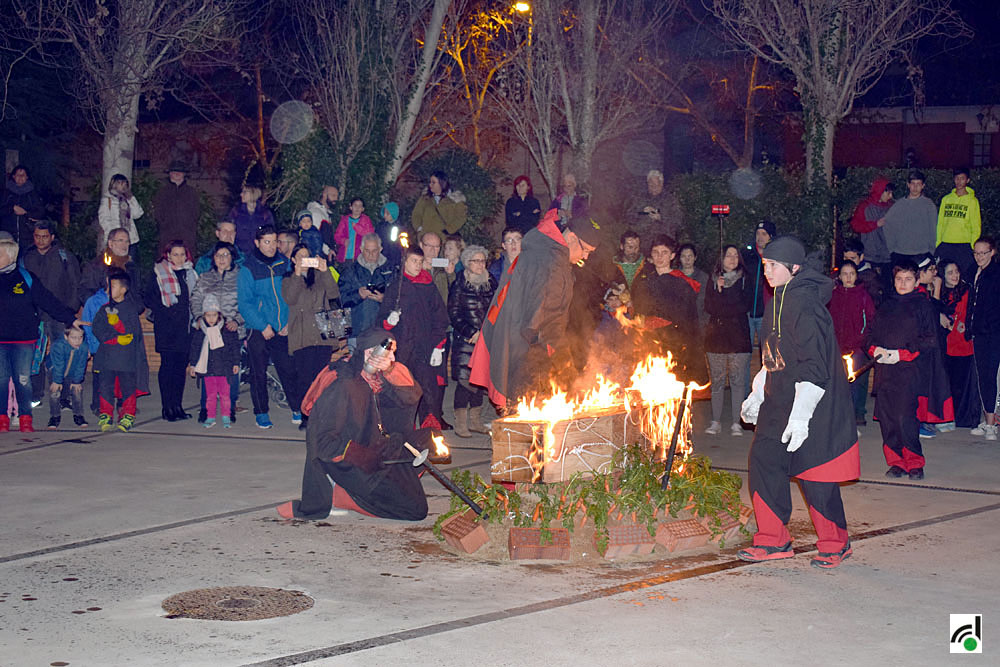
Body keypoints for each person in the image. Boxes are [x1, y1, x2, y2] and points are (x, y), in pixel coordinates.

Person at [737, 236, 858, 569]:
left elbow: (814, 365)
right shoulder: (777, 298)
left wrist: (801, 416)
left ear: (794, 268)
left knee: (814, 473)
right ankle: (773, 539)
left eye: (774, 266)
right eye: (765, 265)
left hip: (813, 404)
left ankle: (837, 542)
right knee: (764, 460)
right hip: (779, 402)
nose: (768, 271)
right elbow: (774, 356)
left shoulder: (805, 303)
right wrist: (758, 392)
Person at [276, 329, 431, 521]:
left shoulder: (381, 376)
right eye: (388, 352)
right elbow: (323, 442)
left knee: (431, 441)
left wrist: (390, 371)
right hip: (357, 464)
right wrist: (365, 457)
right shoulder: (344, 384)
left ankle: (391, 486)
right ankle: (344, 496)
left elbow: (410, 398)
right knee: (415, 510)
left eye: (393, 351)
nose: (393, 357)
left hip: (382, 448)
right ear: (369, 353)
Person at [469, 209, 600, 410]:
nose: (586, 257)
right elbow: (542, 311)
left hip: (524, 341)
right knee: (529, 410)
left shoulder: (546, 252)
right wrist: (552, 352)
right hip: (531, 348)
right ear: (572, 237)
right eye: (586, 250)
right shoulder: (551, 261)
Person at [0, 235, 83, 433]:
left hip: (23, 339)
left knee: (23, 379)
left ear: (10, 256)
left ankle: (25, 417)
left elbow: (48, 301)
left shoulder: (26, 278)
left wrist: (70, 319)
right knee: (1, 379)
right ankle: (2, 418)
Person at [870, 261, 943, 478]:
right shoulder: (886, 304)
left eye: (908, 279)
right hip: (886, 372)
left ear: (917, 281)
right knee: (887, 418)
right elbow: (871, 333)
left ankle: (915, 462)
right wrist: (874, 349)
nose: (903, 283)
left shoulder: (923, 305)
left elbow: (929, 339)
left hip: (909, 370)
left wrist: (901, 354)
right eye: (899, 279)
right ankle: (897, 462)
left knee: (904, 417)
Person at [378, 246, 450, 428]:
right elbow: (380, 321)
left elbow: (439, 317)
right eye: (413, 261)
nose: (417, 265)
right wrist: (390, 321)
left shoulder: (429, 286)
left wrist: (438, 346)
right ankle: (402, 431)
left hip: (425, 348)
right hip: (402, 349)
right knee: (402, 391)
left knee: (428, 391)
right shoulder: (396, 287)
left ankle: (428, 432)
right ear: (405, 262)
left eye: (420, 261)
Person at [237, 224, 296, 429]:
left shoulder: (285, 263)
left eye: (274, 242)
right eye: (267, 242)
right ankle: (261, 412)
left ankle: (296, 407)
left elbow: (293, 294)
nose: (272, 246)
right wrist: (263, 326)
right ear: (257, 243)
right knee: (258, 372)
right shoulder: (248, 268)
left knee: (288, 369)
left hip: (283, 327)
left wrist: (288, 321)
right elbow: (245, 303)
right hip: (259, 328)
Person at [283, 245, 346, 430]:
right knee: (304, 378)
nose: (304, 260)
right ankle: (306, 416)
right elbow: (290, 298)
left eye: (307, 256)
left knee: (322, 379)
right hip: (302, 335)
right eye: (300, 257)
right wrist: (296, 274)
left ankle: (324, 416)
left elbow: (334, 294)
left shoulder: (319, 277)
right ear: (293, 260)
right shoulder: (288, 280)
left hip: (323, 333)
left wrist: (325, 271)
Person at [22, 220, 82, 405]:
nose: (41, 240)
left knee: (61, 355)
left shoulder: (63, 256)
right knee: (34, 356)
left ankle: (63, 396)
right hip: (35, 316)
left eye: (45, 236)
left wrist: (69, 311)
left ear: (52, 237)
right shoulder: (27, 257)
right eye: (37, 236)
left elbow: (75, 284)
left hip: (59, 315)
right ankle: (35, 394)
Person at [631, 234, 699, 380]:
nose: (659, 257)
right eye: (656, 252)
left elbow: (687, 318)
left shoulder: (683, 283)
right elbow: (639, 311)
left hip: (674, 342)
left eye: (664, 253)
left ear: (672, 255)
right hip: (649, 341)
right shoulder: (644, 281)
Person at [190, 241, 244, 422]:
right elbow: (195, 299)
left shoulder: (241, 277)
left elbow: (248, 302)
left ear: (232, 257)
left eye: (226, 255)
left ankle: (230, 407)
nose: (222, 259)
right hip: (208, 331)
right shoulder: (205, 278)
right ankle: (206, 407)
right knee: (209, 370)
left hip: (231, 331)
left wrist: (237, 321)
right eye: (218, 255)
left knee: (231, 370)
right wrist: (199, 318)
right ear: (213, 258)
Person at [145, 241, 197, 422]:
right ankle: (167, 407)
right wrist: (167, 312)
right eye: (175, 254)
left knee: (180, 369)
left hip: (185, 329)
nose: (179, 258)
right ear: (168, 255)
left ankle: (177, 406)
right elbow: (150, 298)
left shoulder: (189, 274)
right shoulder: (159, 273)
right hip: (167, 329)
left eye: (182, 254)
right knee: (168, 367)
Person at [448, 245, 497, 437]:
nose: (480, 264)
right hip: (465, 340)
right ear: (467, 263)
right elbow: (453, 313)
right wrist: (470, 332)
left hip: (486, 339)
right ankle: (461, 423)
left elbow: (497, 308)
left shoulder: (491, 282)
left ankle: (476, 421)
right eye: (475, 260)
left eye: (482, 260)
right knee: (464, 381)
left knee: (480, 380)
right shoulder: (459, 283)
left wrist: (488, 332)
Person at [704, 245, 752, 437]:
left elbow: (744, 305)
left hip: (738, 336)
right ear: (721, 259)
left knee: (737, 381)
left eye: (735, 256)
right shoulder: (714, 279)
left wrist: (726, 299)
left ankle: (736, 422)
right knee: (717, 381)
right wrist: (719, 290)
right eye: (728, 255)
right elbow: (709, 306)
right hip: (716, 336)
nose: (732, 259)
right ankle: (715, 421)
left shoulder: (744, 280)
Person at [92, 271, 144, 432]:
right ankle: (106, 414)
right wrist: (113, 338)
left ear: (123, 289)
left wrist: (118, 325)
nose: (109, 289)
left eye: (113, 286)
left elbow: (131, 333)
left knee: (128, 387)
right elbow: (97, 328)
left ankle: (128, 414)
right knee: (105, 386)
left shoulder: (130, 309)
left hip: (126, 359)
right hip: (107, 356)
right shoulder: (104, 309)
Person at [827, 260, 876, 426]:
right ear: (839, 276)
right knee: (838, 383)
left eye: (852, 274)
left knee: (858, 383)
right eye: (845, 274)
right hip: (836, 347)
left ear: (856, 276)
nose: (848, 277)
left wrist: (863, 341)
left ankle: (858, 413)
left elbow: (870, 319)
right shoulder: (833, 295)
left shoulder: (863, 296)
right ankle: (839, 415)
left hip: (857, 347)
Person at [938, 261, 980, 431]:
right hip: (945, 344)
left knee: (962, 384)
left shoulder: (967, 291)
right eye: (950, 273)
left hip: (963, 343)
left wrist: (965, 324)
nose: (954, 275)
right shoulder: (939, 293)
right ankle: (946, 417)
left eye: (956, 271)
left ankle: (962, 418)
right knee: (947, 383)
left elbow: (972, 313)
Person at [188, 294, 241, 429]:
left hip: (224, 369)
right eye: (208, 315)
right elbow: (195, 349)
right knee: (210, 396)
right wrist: (193, 364)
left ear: (219, 315)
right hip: (209, 370)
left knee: (225, 396)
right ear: (203, 316)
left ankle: (226, 416)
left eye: (214, 315)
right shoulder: (200, 332)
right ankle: (210, 417)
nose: (211, 319)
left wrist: (235, 363)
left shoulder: (227, 331)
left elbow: (234, 348)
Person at [967, 237, 1000, 441]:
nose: (979, 257)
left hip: (992, 333)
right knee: (984, 377)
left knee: (991, 376)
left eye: (983, 253)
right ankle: (988, 419)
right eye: (976, 253)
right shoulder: (974, 271)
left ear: (993, 253)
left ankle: (991, 423)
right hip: (979, 333)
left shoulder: (995, 274)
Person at [338, 233, 396, 347]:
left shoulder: (391, 270)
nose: (370, 255)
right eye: (367, 250)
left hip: (382, 332)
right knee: (355, 364)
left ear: (380, 249)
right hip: (356, 332)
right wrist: (358, 294)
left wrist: (384, 299)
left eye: (374, 251)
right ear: (361, 249)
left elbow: (399, 301)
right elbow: (340, 299)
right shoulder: (350, 271)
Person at [882, 170, 938, 267]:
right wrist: (891, 248)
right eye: (912, 183)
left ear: (923, 186)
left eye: (918, 184)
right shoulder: (899, 205)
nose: (915, 187)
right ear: (908, 185)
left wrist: (931, 251)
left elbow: (933, 229)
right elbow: (887, 225)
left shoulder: (929, 205)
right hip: (900, 253)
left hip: (922, 253)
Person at [936, 167, 981, 280]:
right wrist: (938, 243)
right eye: (957, 178)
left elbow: (976, 225)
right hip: (946, 244)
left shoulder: (972, 201)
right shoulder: (946, 199)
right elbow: (941, 222)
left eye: (962, 178)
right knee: (944, 276)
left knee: (963, 276)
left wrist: (973, 246)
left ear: (968, 180)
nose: (959, 181)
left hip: (963, 245)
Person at [79, 228, 142, 306]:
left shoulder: (131, 267)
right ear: (110, 243)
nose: (124, 245)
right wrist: (103, 307)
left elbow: (137, 292)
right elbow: (85, 292)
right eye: (120, 240)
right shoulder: (96, 266)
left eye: (127, 241)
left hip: (128, 314)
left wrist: (137, 307)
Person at [848, 177, 893, 283]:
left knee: (886, 286)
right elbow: (856, 225)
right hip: (870, 254)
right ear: (881, 192)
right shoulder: (865, 206)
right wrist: (875, 224)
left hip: (887, 255)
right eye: (888, 193)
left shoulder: (891, 207)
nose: (890, 196)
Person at [151, 162, 201, 253]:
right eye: (174, 171)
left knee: (187, 257)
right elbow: (158, 212)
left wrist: (189, 225)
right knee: (166, 257)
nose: (176, 174)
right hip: (167, 233)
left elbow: (196, 212)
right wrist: (164, 224)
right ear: (169, 173)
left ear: (184, 174)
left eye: (179, 172)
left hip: (187, 233)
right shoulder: (162, 192)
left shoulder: (191, 192)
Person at [47, 326, 89, 429]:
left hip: (72, 371)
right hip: (55, 370)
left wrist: (77, 381)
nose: (77, 341)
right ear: (66, 337)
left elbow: (81, 365)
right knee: (55, 392)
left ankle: (78, 415)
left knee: (76, 391)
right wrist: (56, 381)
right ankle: (54, 416)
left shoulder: (83, 347)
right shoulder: (58, 346)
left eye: (80, 337)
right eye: (73, 337)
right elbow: (58, 365)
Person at [97, 174, 143, 258]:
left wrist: (131, 198)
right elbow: (103, 218)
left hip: (131, 239)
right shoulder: (108, 199)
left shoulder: (128, 199)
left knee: (131, 265)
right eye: (121, 183)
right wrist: (114, 233)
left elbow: (138, 214)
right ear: (114, 184)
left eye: (125, 183)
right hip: (116, 240)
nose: (123, 186)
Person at [412, 171, 468, 237]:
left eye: (433, 182)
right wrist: (419, 229)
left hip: (443, 240)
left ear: (442, 183)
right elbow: (416, 214)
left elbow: (461, 218)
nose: (430, 185)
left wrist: (448, 231)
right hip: (425, 238)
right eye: (430, 182)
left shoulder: (455, 201)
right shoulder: (425, 198)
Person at [628, 169, 680, 239]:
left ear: (661, 183)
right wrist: (642, 212)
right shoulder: (640, 198)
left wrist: (661, 217)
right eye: (651, 185)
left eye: (656, 185)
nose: (653, 188)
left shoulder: (670, 200)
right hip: (642, 241)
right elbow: (629, 216)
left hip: (663, 241)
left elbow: (678, 220)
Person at [2, 165, 43, 248]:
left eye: (23, 175)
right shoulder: (5, 193)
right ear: (13, 176)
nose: (20, 177)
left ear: (27, 177)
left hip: (27, 237)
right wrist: (12, 208)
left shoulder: (33, 194)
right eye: (18, 175)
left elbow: (40, 212)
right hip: (7, 237)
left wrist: (25, 213)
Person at [230, 185, 275, 254]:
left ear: (253, 193)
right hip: (240, 253)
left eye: (245, 192)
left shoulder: (265, 213)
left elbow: (270, 233)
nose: (241, 194)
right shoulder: (236, 211)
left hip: (258, 253)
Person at [677, 243, 710, 333]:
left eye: (690, 256)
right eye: (684, 256)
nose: (687, 259)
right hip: (679, 324)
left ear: (695, 257)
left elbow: (708, 302)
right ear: (679, 258)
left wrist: (705, 322)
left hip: (698, 324)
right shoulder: (674, 276)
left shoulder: (703, 277)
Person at [842, 238, 882, 307]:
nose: (849, 262)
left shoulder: (870, 278)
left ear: (861, 257)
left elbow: (875, 303)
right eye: (845, 258)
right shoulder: (840, 274)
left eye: (852, 258)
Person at [333, 197, 374, 263]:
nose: (357, 208)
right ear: (351, 207)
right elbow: (337, 236)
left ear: (363, 209)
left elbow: (370, 235)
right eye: (355, 205)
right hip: (346, 257)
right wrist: (343, 241)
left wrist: (357, 227)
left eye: (360, 206)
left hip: (361, 257)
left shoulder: (366, 220)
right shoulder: (345, 220)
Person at [306, 185, 339, 259]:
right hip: (317, 256)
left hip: (325, 255)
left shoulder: (326, 213)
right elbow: (313, 236)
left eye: (337, 196)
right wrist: (328, 250)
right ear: (324, 195)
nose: (336, 199)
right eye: (333, 195)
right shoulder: (315, 213)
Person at [374, 202, 403, 269]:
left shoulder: (398, 227)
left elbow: (396, 244)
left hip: (393, 257)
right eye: (384, 213)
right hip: (382, 255)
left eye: (387, 213)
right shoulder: (381, 226)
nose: (385, 215)